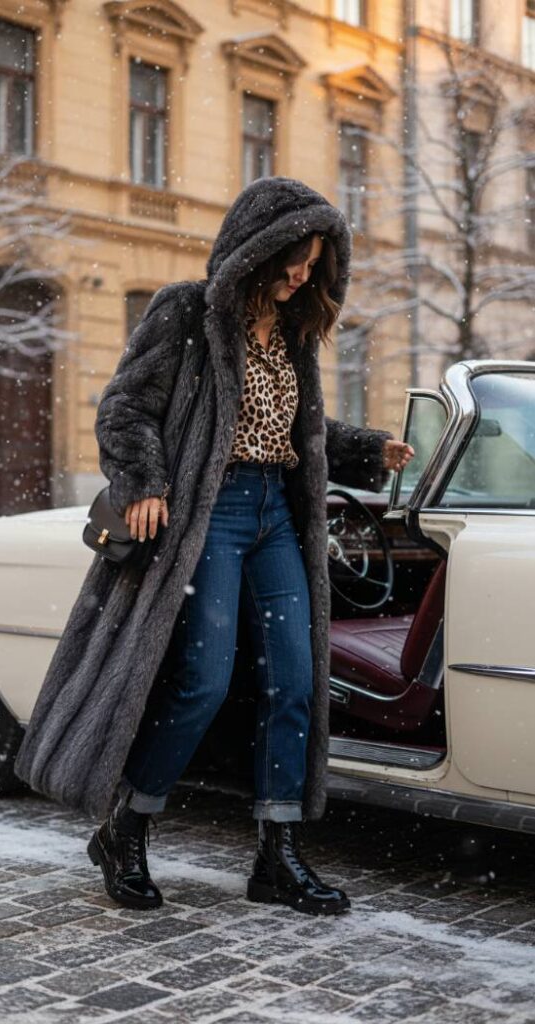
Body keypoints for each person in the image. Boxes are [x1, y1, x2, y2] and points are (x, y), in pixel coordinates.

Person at [85, 184, 414, 917]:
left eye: (314, 265)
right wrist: (143, 481)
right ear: (258, 247)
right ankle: (125, 828)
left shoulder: (293, 333)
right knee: (201, 681)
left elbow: (295, 429)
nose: (302, 275)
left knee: (293, 683)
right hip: (213, 513)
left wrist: (367, 449)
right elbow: (126, 406)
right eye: (295, 259)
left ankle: (277, 857)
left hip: (276, 515)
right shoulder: (187, 312)